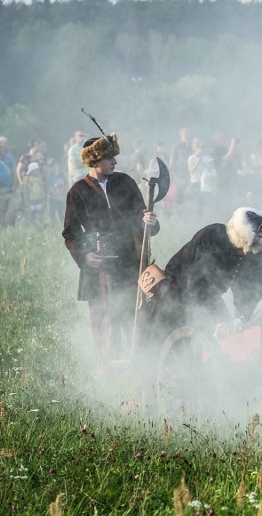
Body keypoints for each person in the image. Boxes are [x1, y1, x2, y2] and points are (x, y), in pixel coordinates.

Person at [62, 132, 159, 362]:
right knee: (105, 320)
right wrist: (85, 257)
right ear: (94, 160)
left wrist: (150, 222)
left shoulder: (125, 182)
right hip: (99, 267)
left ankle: (139, 363)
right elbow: (70, 233)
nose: (115, 162)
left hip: (130, 261)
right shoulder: (78, 191)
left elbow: (141, 215)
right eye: (109, 158)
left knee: (135, 315)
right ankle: (108, 370)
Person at [145, 207, 262, 344]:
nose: (247, 251)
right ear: (236, 235)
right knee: (158, 342)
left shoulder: (258, 255)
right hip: (174, 293)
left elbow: (250, 293)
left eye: (252, 247)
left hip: (208, 297)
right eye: (245, 243)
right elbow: (195, 283)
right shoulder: (212, 236)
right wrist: (215, 322)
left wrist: (238, 320)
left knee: (231, 340)